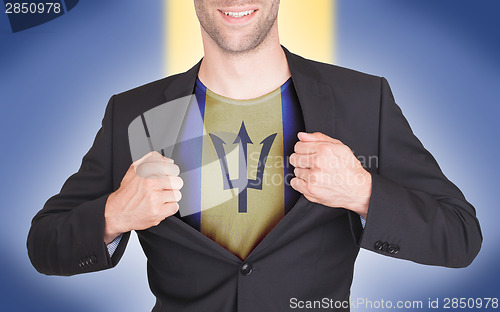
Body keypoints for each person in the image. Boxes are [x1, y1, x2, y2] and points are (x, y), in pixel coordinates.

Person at [27, 1, 482, 311]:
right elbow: (44, 245)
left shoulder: (363, 100)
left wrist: (363, 192)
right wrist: (114, 214)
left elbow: (460, 236)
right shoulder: (135, 113)